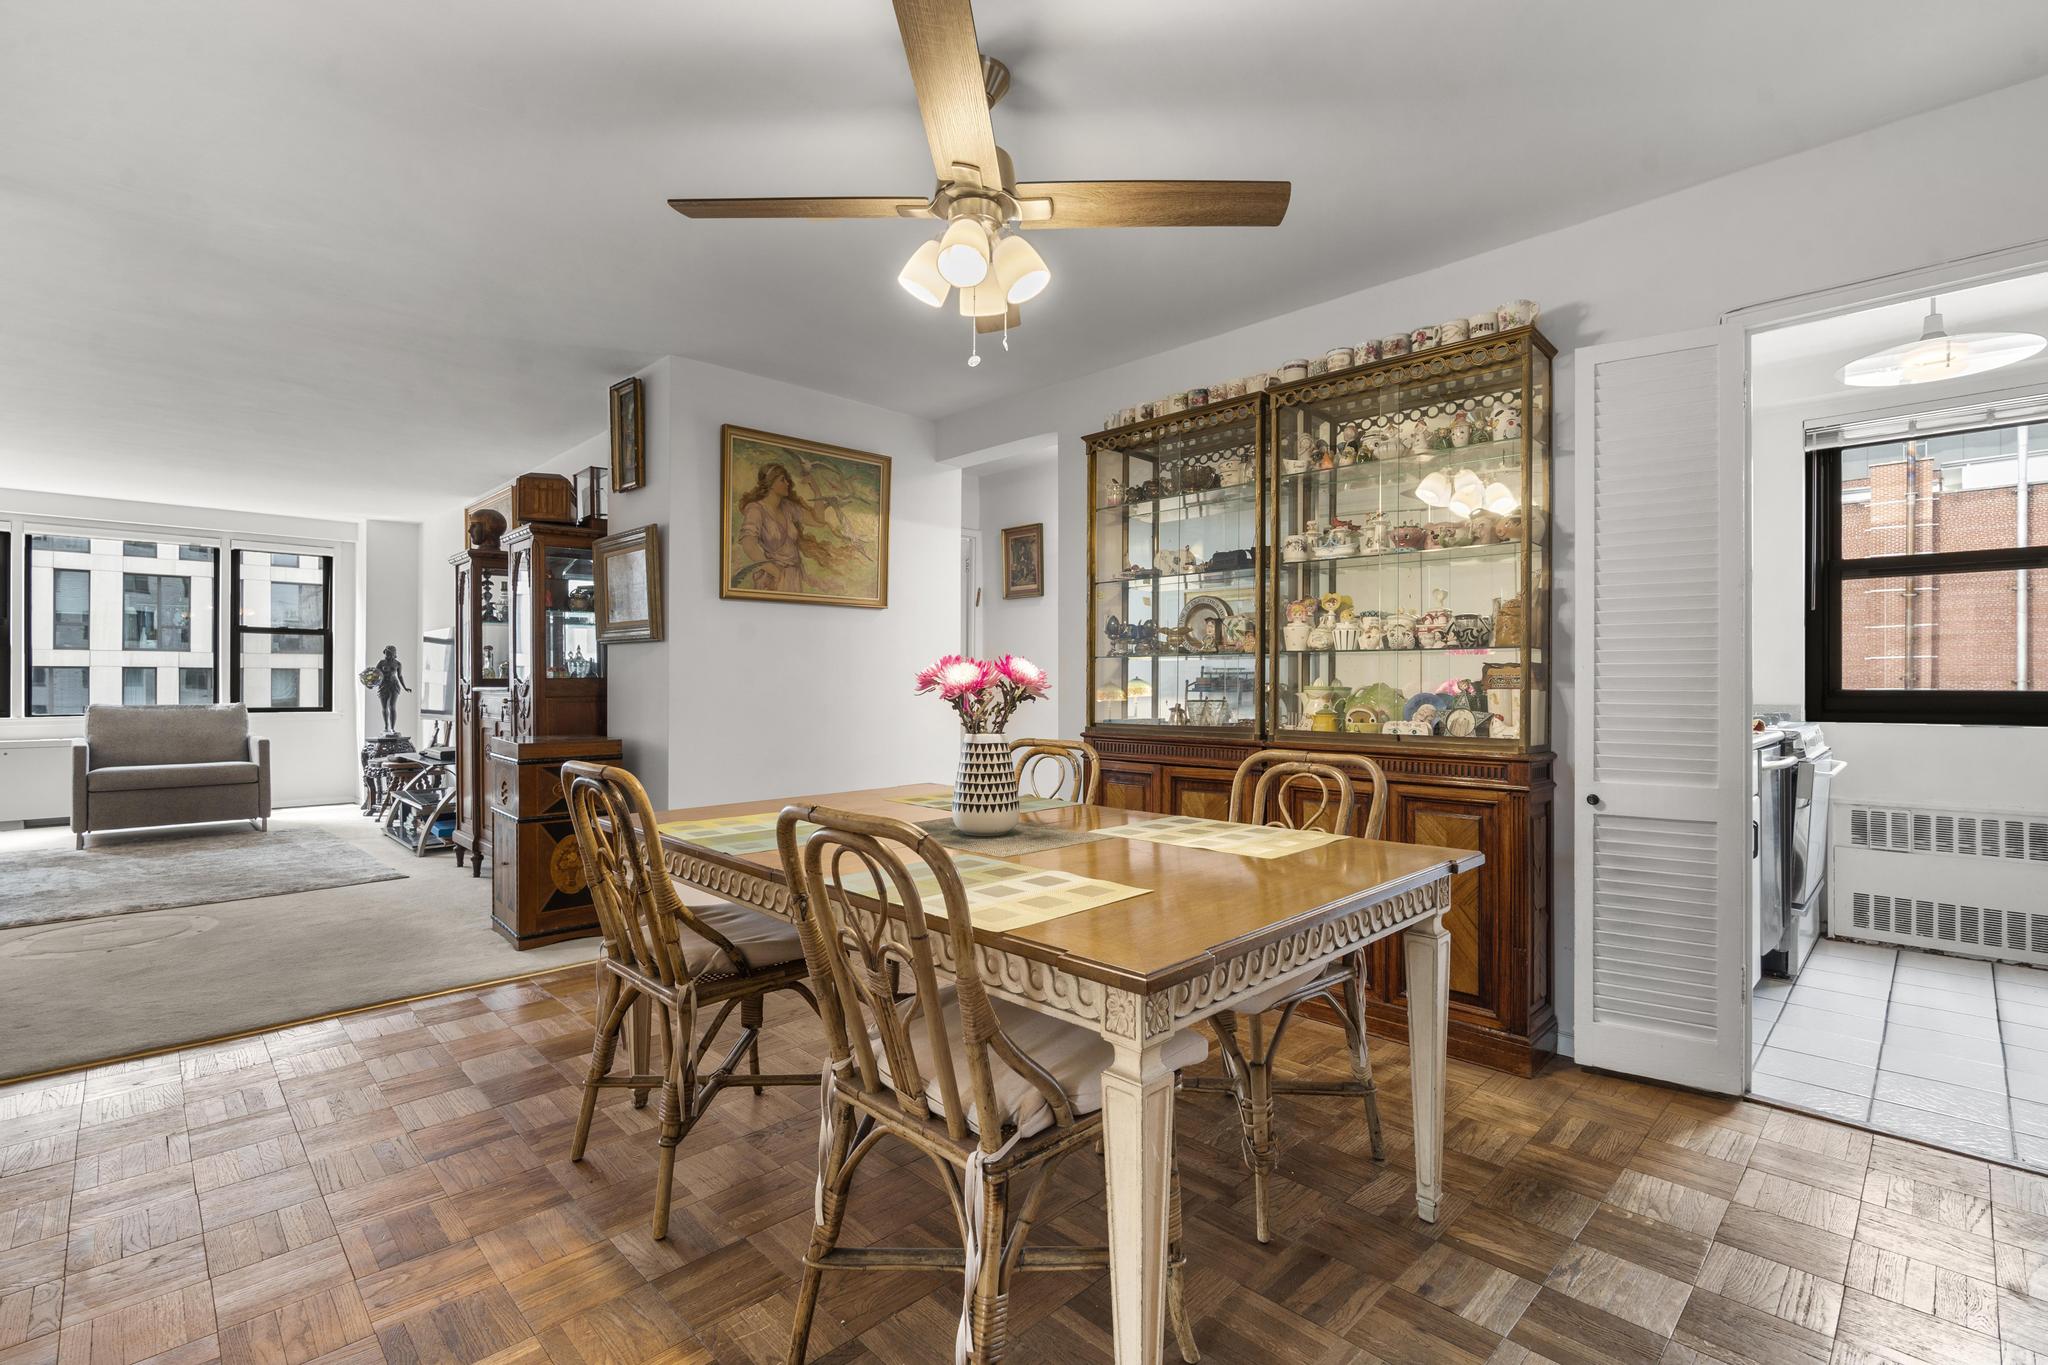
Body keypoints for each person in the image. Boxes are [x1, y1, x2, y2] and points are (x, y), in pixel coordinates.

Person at [733, 461, 809, 592]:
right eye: (782, 480)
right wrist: (776, 572)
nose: (788, 483)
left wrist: (815, 487)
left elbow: (819, 520)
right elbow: (748, 544)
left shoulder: (788, 507)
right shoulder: (756, 509)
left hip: (793, 576)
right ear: (771, 483)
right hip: (773, 578)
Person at [361, 644, 410, 735]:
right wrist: (370, 684)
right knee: (384, 707)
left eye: (390, 654)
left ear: (394, 654)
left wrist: (405, 687)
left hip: (394, 685)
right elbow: (374, 674)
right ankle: (386, 727)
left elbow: (400, 676)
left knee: (392, 706)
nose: (388, 656)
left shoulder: (398, 664)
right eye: (386, 653)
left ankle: (392, 728)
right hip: (383, 685)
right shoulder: (381, 663)